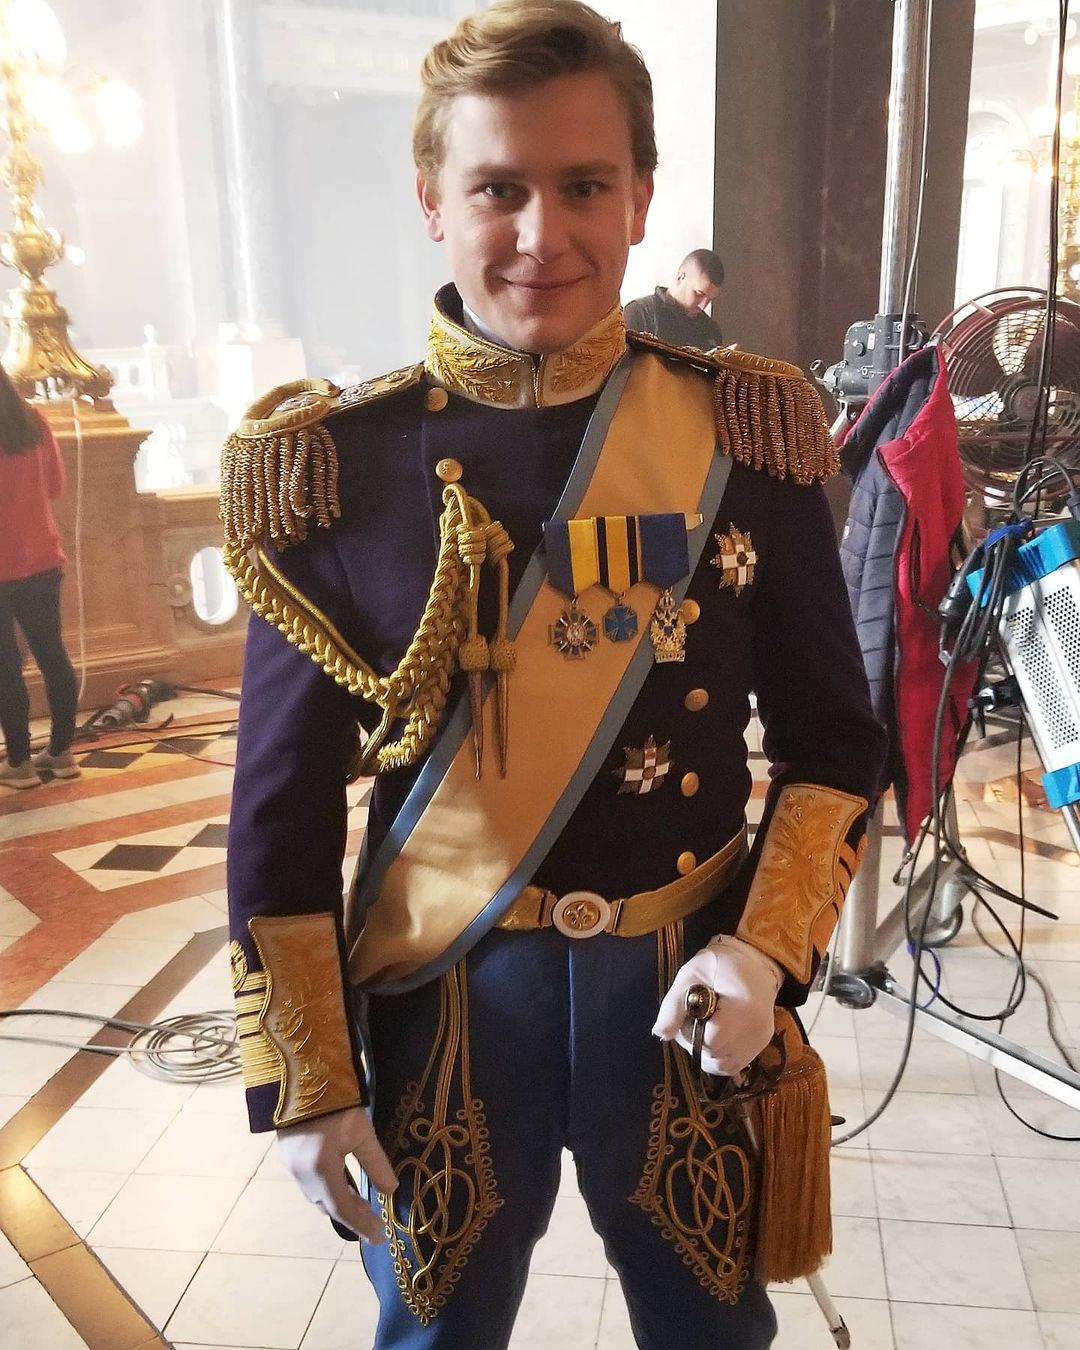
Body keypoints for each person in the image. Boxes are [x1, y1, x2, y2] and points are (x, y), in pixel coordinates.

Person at [222, 3, 886, 1347]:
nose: (543, 234)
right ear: (432, 200)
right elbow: (278, 811)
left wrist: (766, 950)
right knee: (436, 1332)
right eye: (497, 189)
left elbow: (834, 741)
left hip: (688, 981)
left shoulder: (746, 432)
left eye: (584, 185)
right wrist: (309, 1081)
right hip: (443, 995)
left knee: (712, 1330)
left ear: (639, 196)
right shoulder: (330, 468)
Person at [0, 368, 80, 790]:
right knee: (53, 654)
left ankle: (19, 762)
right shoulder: (33, 420)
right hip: (42, 557)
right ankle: (62, 752)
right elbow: (55, 486)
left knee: (4, 666)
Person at [623, 247, 726, 348]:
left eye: (710, 300)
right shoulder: (640, 312)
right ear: (680, 277)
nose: (703, 306)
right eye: (699, 294)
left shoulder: (711, 330)